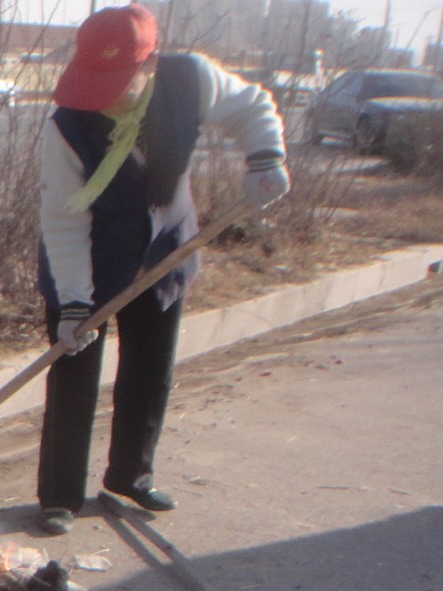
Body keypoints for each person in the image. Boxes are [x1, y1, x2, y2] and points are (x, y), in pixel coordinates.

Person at [35, 3, 290, 535]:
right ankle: (61, 494)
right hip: (86, 257)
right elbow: (63, 221)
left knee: (151, 369)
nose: (104, 94)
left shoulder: (190, 79)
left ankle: (130, 475)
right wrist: (76, 301)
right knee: (74, 370)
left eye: (118, 80)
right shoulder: (66, 125)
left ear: (149, 65)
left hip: (166, 249)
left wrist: (265, 157)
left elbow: (252, 104)